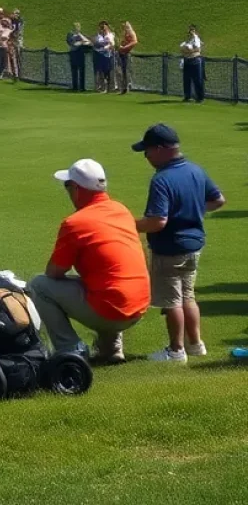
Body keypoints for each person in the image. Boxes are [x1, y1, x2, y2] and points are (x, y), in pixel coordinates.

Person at [28, 159, 149, 363]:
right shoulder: (121, 210)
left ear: (76, 188)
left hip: (111, 311)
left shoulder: (75, 223)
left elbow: (54, 272)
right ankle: (111, 348)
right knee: (103, 280)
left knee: (39, 285)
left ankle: (71, 350)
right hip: (138, 307)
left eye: (67, 186)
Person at [132, 124, 225, 362]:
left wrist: (130, 225)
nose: (147, 157)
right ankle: (196, 345)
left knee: (172, 301)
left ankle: (176, 351)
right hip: (194, 246)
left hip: (169, 248)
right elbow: (218, 200)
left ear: (161, 149)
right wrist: (193, 211)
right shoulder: (196, 170)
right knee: (188, 297)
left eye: (148, 151)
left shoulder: (162, 179)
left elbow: (157, 221)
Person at [179, 25, 205, 103]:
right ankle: (187, 96)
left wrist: (189, 51)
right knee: (186, 80)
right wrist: (186, 51)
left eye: (192, 30)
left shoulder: (196, 39)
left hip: (195, 60)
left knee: (198, 80)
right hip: (187, 61)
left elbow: (198, 49)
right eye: (189, 31)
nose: (190, 32)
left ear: (195, 31)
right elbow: (182, 50)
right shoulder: (187, 40)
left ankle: (200, 98)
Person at [91, 21, 115, 93]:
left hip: (108, 56)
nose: (103, 29)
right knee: (101, 72)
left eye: (104, 27)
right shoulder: (99, 36)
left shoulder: (110, 35)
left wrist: (107, 47)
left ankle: (108, 88)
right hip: (100, 56)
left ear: (107, 27)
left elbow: (112, 44)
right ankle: (102, 87)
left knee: (107, 72)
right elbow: (96, 43)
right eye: (101, 27)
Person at [66, 22, 91, 91]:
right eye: (76, 26)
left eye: (78, 26)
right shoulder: (70, 34)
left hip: (81, 54)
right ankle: (75, 87)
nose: (77, 28)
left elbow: (88, 42)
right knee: (74, 70)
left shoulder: (81, 35)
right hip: (73, 54)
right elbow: (73, 44)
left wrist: (81, 38)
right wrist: (81, 42)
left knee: (82, 71)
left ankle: (82, 87)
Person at [117, 21, 138, 94]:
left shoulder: (131, 33)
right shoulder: (124, 33)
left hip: (127, 53)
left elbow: (135, 41)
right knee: (122, 71)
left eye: (124, 25)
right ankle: (123, 87)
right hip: (121, 53)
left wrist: (125, 47)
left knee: (126, 71)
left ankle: (127, 87)